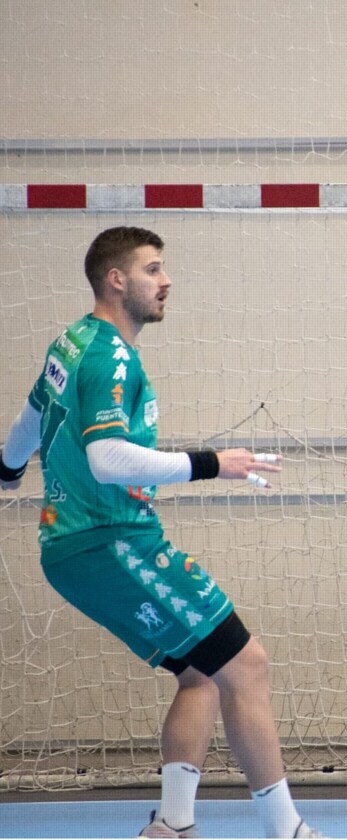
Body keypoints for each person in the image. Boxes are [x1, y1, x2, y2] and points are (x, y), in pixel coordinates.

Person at [0, 227, 322, 839]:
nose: (166, 280)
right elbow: (106, 459)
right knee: (246, 665)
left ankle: (171, 825)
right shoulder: (107, 356)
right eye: (153, 269)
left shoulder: (71, 342)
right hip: (110, 540)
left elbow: (33, 410)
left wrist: (9, 466)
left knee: (200, 674)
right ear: (116, 279)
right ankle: (289, 832)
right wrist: (213, 463)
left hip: (81, 546)